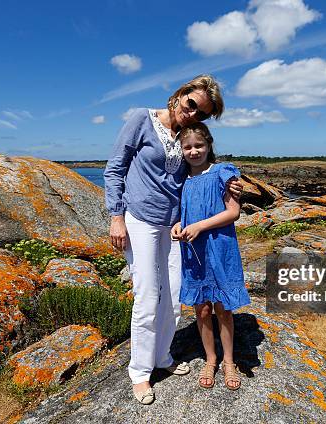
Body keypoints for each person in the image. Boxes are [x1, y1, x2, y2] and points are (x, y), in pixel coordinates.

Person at [103, 75, 242, 405]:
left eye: (202, 114)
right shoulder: (142, 118)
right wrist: (117, 216)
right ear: (180, 96)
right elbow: (115, 168)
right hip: (140, 220)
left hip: (174, 226)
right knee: (148, 296)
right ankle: (140, 372)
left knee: (176, 294)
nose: (193, 113)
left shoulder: (186, 137)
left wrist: (233, 185)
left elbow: (198, 174)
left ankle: (163, 356)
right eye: (191, 104)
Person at [171, 122, 251, 391]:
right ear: (181, 150)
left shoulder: (222, 173)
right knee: (202, 309)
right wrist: (179, 224)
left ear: (209, 146)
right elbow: (184, 212)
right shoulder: (184, 180)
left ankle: (229, 361)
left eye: (199, 146)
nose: (193, 151)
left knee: (222, 308)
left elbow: (233, 212)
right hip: (194, 251)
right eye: (188, 147)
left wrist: (199, 226)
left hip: (220, 248)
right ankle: (210, 359)